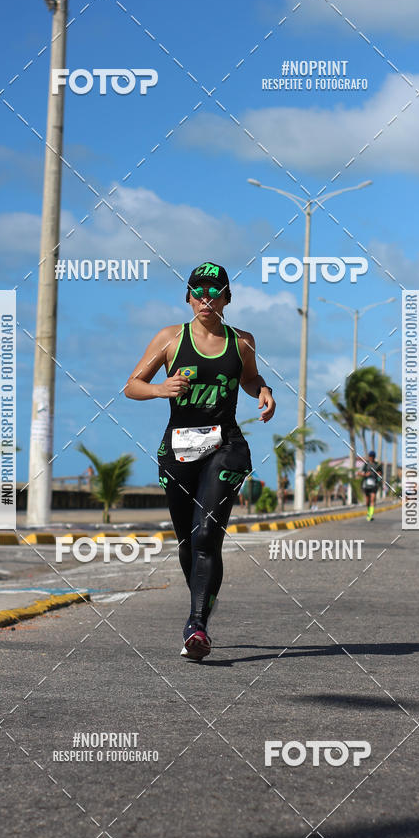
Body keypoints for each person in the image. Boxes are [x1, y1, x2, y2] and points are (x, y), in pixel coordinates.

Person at [125, 263, 276, 660]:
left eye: (215, 291)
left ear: (227, 298)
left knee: (207, 533)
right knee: (188, 543)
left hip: (225, 444)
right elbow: (132, 385)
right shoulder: (170, 338)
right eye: (199, 291)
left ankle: (197, 625)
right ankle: (203, 598)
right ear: (188, 297)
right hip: (178, 447)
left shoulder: (242, 341)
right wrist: (160, 389)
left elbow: (249, 378)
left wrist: (263, 391)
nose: (206, 299)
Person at [359, 450, 383, 521]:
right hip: (366, 485)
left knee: (372, 499)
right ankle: (368, 512)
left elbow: (381, 474)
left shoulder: (378, 465)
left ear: (374, 457)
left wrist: (379, 474)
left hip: (374, 485)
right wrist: (365, 474)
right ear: (369, 457)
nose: (371, 457)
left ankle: (370, 515)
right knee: (367, 501)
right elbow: (359, 473)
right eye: (370, 456)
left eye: (372, 456)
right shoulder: (366, 464)